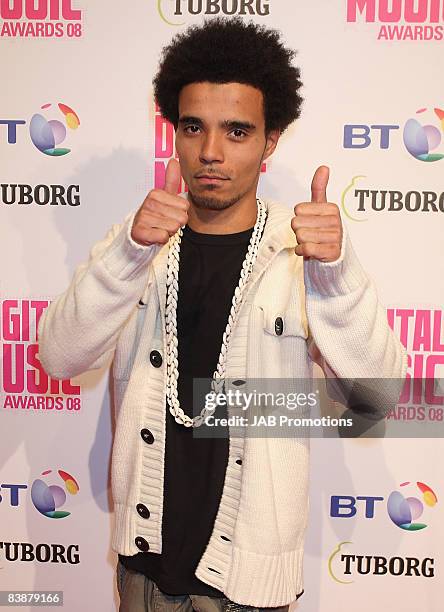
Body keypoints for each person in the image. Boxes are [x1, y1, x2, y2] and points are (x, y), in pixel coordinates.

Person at [38, 17, 407, 612]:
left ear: (270, 141)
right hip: (145, 574)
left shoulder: (303, 254)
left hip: (249, 584)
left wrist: (335, 277)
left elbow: (379, 396)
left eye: (237, 131)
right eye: (193, 128)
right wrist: (130, 253)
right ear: (175, 133)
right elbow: (58, 356)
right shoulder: (137, 247)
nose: (210, 152)